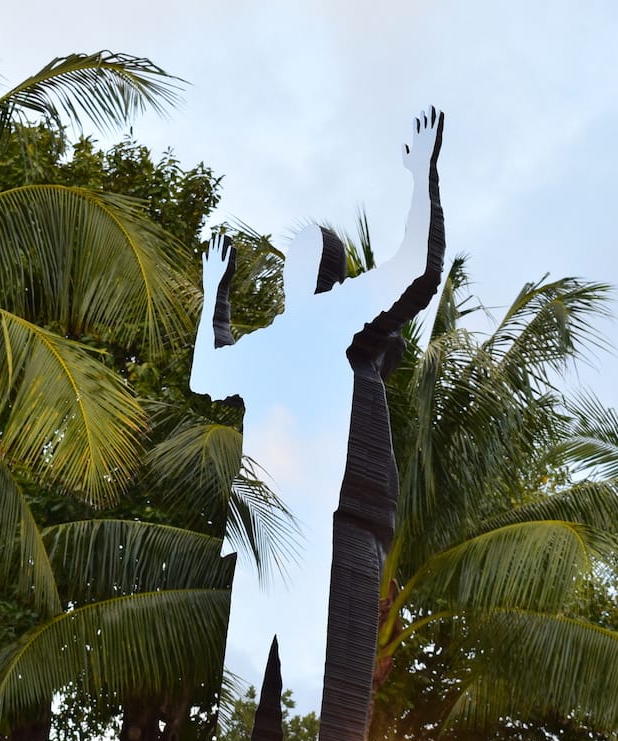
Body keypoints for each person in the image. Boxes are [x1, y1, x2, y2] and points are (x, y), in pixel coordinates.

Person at [191, 108, 446, 703]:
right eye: (292, 262)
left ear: (323, 274)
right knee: (245, 702)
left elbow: (417, 268)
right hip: (260, 534)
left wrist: (422, 179)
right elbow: (207, 372)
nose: (293, 271)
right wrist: (215, 298)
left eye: (305, 261)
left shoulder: (335, 314)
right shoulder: (275, 341)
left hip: (327, 525)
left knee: (312, 701)